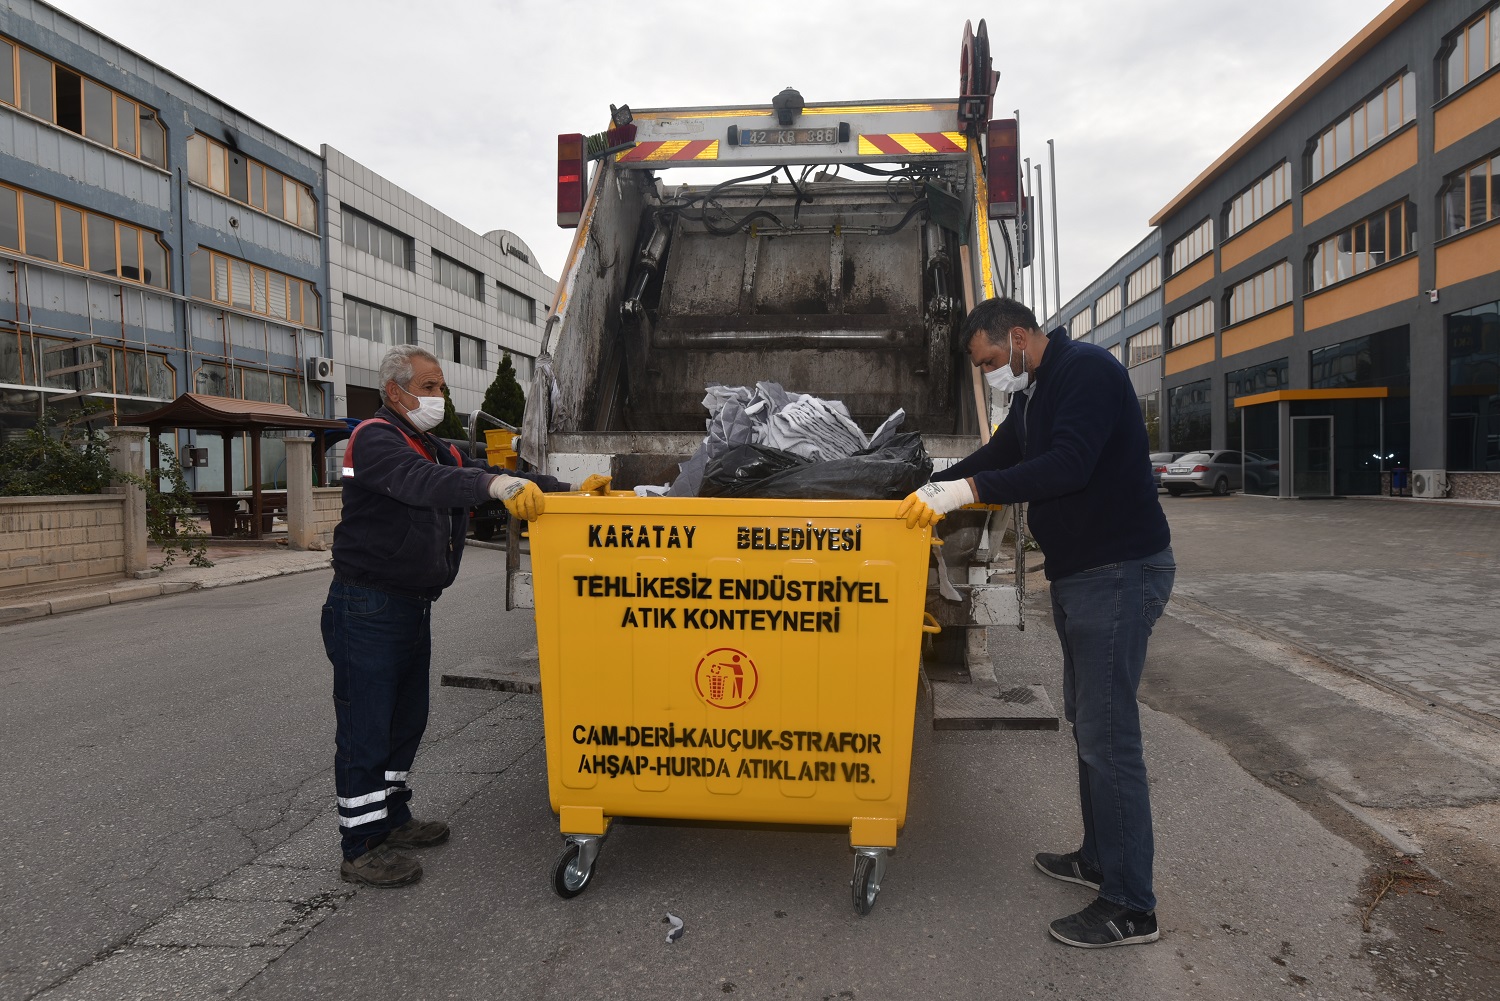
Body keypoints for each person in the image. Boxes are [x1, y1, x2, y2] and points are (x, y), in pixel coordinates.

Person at [897, 297, 1175, 948]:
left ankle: (1132, 906)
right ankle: (1100, 858)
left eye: (990, 359)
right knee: (1089, 723)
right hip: (1084, 576)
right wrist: (931, 484)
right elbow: (995, 457)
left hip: (1121, 571)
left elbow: (1067, 466)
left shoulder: (1088, 373)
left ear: (1018, 337)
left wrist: (964, 494)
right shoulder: (1031, 395)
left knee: (1110, 739)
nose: (991, 372)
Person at [323, 344, 606, 888]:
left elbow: (477, 469)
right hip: (367, 605)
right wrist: (494, 486)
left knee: (405, 720)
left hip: (407, 604)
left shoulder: (426, 444)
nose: (439, 397)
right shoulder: (376, 440)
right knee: (366, 725)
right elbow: (427, 484)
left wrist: (569, 493)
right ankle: (360, 845)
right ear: (394, 392)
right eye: (429, 387)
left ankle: (392, 817)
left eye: (441, 387)